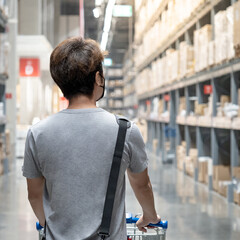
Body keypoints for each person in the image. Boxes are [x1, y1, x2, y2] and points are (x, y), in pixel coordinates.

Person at [23, 37, 160, 240]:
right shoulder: (125, 130)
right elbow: (141, 185)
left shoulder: (37, 134)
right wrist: (149, 215)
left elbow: (34, 194)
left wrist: (50, 226)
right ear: (98, 78)